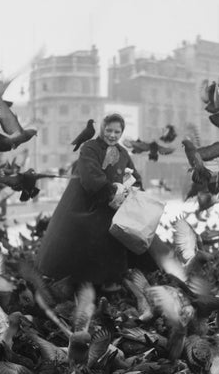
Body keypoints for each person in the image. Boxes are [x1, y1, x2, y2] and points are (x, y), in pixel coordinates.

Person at [35, 113, 156, 287]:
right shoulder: (89, 148)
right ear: (102, 129)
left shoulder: (123, 153)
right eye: (109, 130)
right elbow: (90, 175)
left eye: (117, 131)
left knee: (125, 237)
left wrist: (133, 188)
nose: (112, 135)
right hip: (87, 204)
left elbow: (135, 177)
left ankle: (113, 281)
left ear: (122, 132)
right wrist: (112, 190)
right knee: (86, 244)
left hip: (114, 206)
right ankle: (80, 283)